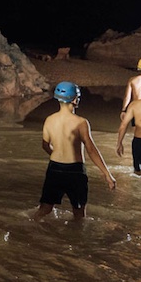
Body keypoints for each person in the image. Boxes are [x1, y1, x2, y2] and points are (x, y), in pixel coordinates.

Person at [34, 82, 116, 221]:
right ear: (75, 99)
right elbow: (91, 149)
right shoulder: (81, 122)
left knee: (45, 209)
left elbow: (45, 145)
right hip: (75, 171)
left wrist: (55, 154)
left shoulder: (49, 120)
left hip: (54, 168)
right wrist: (107, 174)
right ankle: (77, 240)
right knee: (79, 213)